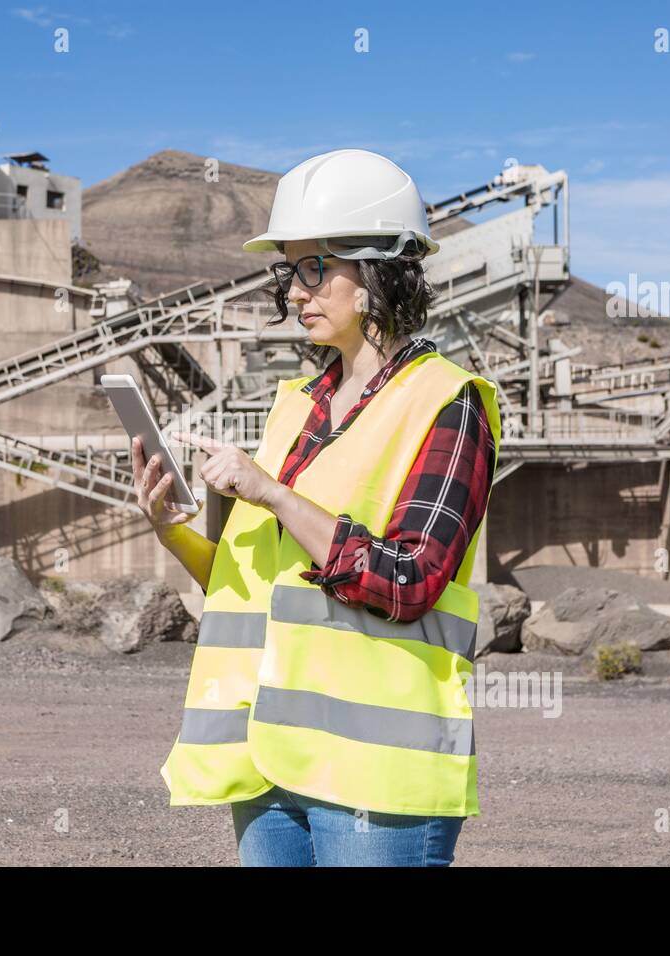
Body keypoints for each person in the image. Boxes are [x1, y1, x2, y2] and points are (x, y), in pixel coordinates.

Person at [130, 149, 501, 867]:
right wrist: (172, 531)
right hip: (267, 759)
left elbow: (411, 580)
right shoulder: (293, 409)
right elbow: (257, 588)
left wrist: (271, 492)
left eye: (313, 269)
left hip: (378, 776)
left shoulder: (446, 405)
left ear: (377, 276)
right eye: (289, 272)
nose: (295, 292)